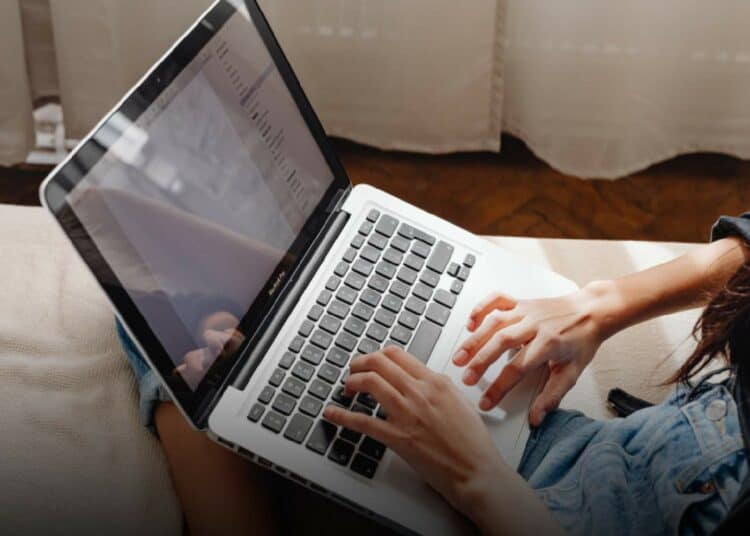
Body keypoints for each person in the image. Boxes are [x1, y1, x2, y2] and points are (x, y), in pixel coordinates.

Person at [120, 213, 750, 534]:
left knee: (162, 325)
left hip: (536, 508)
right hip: (626, 450)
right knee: (279, 278)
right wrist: (603, 304)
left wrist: (477, 479)